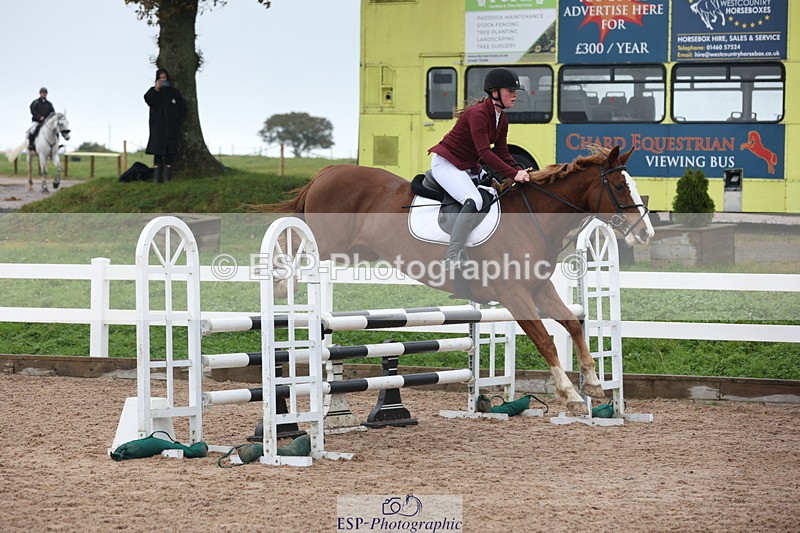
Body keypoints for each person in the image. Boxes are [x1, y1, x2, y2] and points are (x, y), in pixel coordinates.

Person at [428, 67, 531, 269]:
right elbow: (485, 153)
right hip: (447, 163)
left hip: (467, 166)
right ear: (495, 93)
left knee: (492, 193)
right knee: (474, 199)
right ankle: (452, 255)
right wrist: (513, 174)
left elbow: (502, 152)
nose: (514, 95)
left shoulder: (502, 117)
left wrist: (522, 171)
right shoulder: (478, 115)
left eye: (515, 91)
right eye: (510, 90)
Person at [144, 68, 186, 182]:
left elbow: (182, 108)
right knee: (157, 152)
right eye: (160, 78)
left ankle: (167, 178)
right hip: (158, 127)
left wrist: (177, 119)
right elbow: (148, 100)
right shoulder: (153, 92)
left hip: (171, 128)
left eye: (164, 78)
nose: (163, 80)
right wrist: (156, 89)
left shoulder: (174, 92)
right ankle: (157, 178)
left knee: (169, 152)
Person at [28, 87, 55, 151]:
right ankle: (31, 144)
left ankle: (56, 144)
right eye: (43, 93)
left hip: (46, 122)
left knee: (54, 129)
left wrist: (49, 119)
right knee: (32, 130)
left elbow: (52, 112)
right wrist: (39, 117)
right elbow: (33, 110)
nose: (44, 94)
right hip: (37, 121)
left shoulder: (49, 104)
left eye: (45, 93)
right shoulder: (35, 102)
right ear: (40, 93)